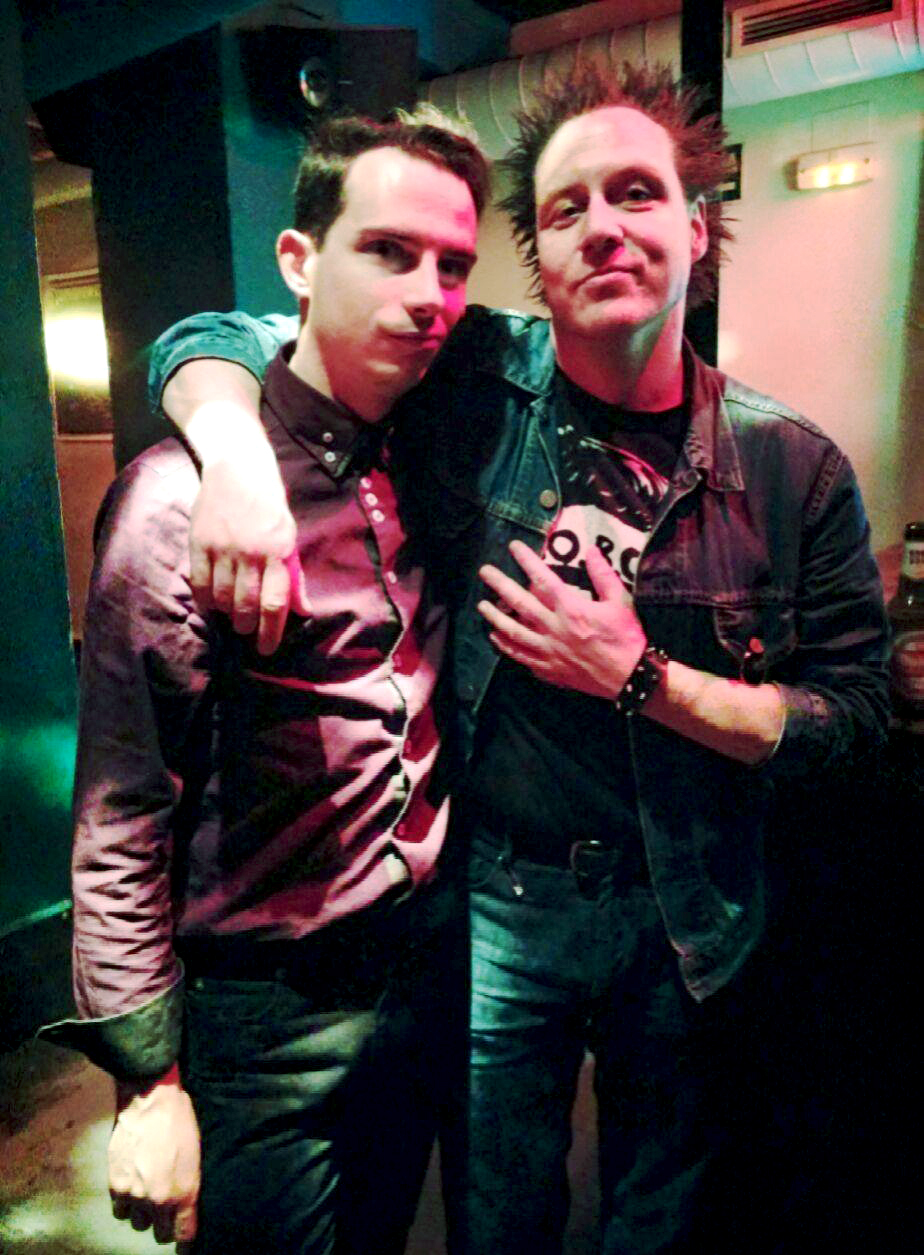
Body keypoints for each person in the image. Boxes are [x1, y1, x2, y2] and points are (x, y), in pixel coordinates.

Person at [147, 63, 889, 1254]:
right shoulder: (470, 378)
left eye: (636, 192)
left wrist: (644, 678)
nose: (604, 225)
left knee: (661, 1222)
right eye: (565, 207)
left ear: (696, 227)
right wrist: (232, 451)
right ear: (539, 257)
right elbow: (223, 334)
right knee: (498, 1222)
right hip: (499, 902)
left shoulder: (793, 465)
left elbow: (852, 722)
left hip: (689, 909)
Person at [41, 108, 487, 1254]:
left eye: (452, 264)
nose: (428, 294)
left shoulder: (435, 443)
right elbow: (123, 804)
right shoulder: (179, 499)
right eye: (387, 250)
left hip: (424, 967)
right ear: (299, 261)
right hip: (267, 1011)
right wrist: (147, 1081)